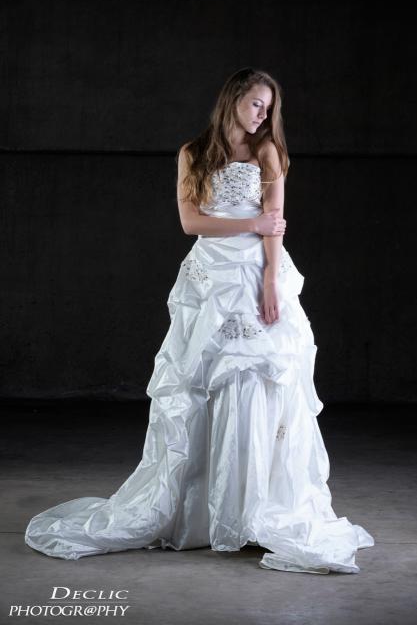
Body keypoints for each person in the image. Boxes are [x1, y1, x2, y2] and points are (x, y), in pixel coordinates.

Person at [24, 67, 375, 573]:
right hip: (209, 278)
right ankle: (207, 515)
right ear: (233, 99)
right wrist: (250, 222)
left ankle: (254, 510)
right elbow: (191, 222)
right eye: (256, 104)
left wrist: (271, 281)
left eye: (269, 108)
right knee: (200, 385)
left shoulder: (267, 154)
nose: (263, 115)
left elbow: (274, 227)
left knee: (260, 380)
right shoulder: (193, 152)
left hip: (253, 274)